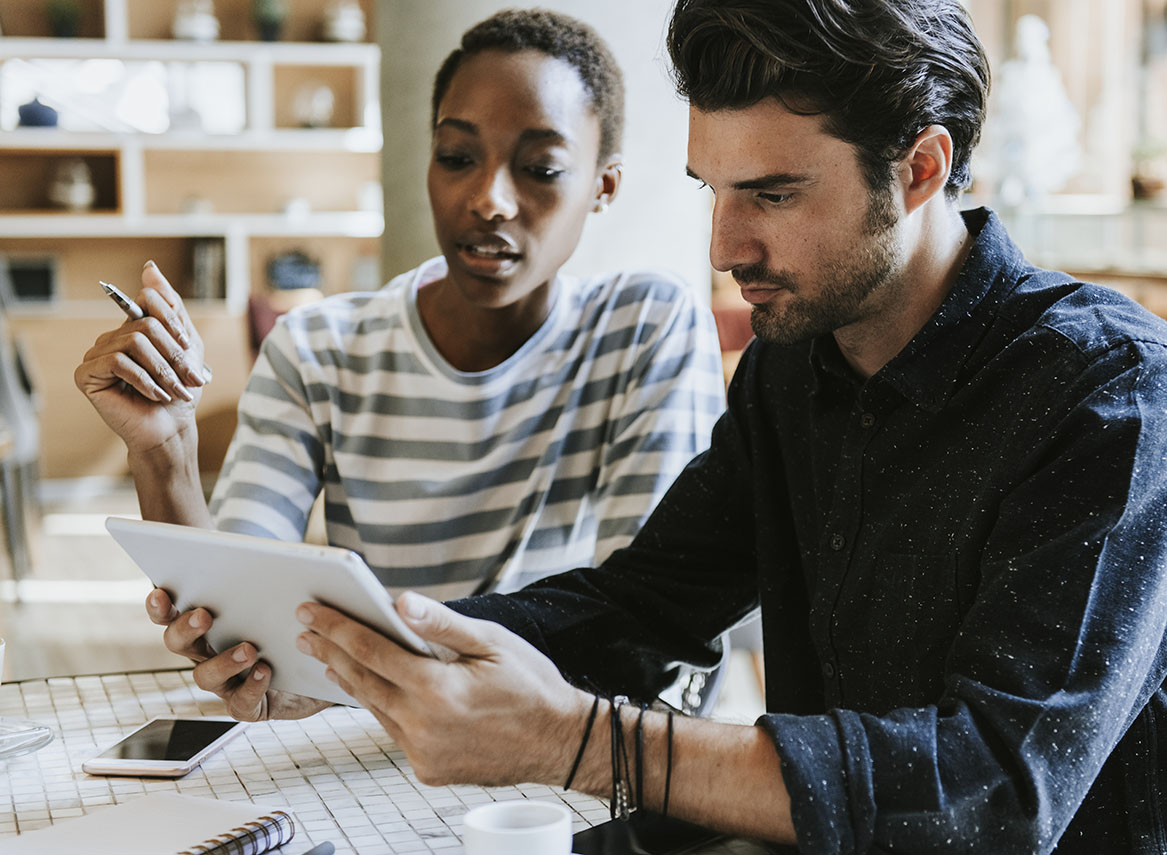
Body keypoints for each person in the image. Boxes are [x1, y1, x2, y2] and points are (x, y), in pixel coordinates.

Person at [162, 0, 1167, 852]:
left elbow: (994, 793)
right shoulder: (798, 368)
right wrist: (355, 644)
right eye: (712, 189)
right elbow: (646, 605)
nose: (726, 244)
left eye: (773, 194)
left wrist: (574, 740)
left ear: (920, 169)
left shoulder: (1116, 398)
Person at [73, 11, 724, 717]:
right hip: (371, 746)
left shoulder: (643, 326)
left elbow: (644, 625)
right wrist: (163, 446)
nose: (488, 200)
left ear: (603, 186)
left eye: (539, 169)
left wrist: (352, 663)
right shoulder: (318, 346)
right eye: (456, 156)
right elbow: (243, 628)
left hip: (556, 738)